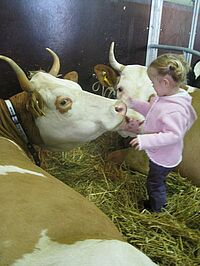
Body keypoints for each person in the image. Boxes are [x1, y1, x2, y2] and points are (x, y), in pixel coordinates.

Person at [127, 53, 197, 212]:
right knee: (156, 180)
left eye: (153, 82)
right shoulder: (167, 97)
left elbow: (174, 135)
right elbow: (153, 111)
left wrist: (145, 141)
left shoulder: (175, 109)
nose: (152, 86)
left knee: (154, 183)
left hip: (165, 157)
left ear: (165, 82)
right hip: (161, 152)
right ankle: (157, 201)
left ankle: (157, 209)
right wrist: (133, 103)